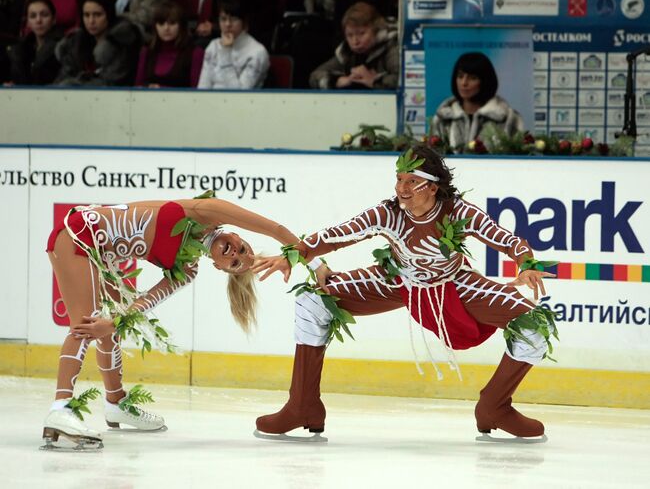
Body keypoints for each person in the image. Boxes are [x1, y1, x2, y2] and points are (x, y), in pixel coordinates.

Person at [253, 144, 557, 442]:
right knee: (312, 300)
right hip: (396, 281)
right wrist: (296, 253)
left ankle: (494, 406)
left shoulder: (458, 212)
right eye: (399, 178)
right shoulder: (388, 214)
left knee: (534, 325)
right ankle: (303, 406)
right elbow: (336, 235)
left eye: (412, 180)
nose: (402, 187)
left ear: (433, 187)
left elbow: (505, 239)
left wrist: (526, 263)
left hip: (453, 284)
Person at [43, 195, 299, 449]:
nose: (235, 253)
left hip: (102, 255)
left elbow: (148, 302)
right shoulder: (205, 213)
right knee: (86, 322)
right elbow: (273, 228)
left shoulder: (187, 269)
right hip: (79, 233)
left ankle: (115, 403)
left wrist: (112, 324)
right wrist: (303, 254)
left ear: (221, 268)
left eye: (234, 263)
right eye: (241, 249)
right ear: (237, 236)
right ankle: (61, 409)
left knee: (107, 326)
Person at [430, 52, 525, 152]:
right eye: (460, 76)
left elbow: (519, 158)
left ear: (485, 81)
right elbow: (433, 158)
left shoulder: (508, 118)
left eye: (472, 78)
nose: (464, 83)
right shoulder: (443, 118)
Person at [309, 1, 398, 90]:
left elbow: (406, 80)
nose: (355, 41)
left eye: (361, 33)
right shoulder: (346, 53)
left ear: (377, 31)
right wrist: (337, 80)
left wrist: (374, 80)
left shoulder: (392, 47)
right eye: (350, 35)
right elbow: (315, 76)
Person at [54, 0, 141, 86]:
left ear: (108, 14)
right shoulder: (76, 43)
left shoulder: (122, 41)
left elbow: (114, 82)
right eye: (86, 15)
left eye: (98, 15)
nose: (91, 21)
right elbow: (64, 76)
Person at [197, 0, 269, 89]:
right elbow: (203, 89)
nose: (227, 24)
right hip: (211, 102)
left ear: (244, 22)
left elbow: (237, 95)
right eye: (223, 19)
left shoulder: (257, 52)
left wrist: (226, 52)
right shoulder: (213, 46)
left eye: (234, 19)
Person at [134, 0, 204, 88]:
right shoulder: (146, 52)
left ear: (181, 26)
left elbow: (197, 93)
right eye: (161, 23)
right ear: (155, 26)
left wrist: (162, 90)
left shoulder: (195, 53)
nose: (166, 28)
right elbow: (137, 89)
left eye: (172, 23)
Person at [5, 0, 62, 85]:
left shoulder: (64, 46)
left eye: (44, 15)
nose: (38, 20)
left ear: (54, 19)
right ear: (27, 22)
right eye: (33, 16)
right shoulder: (20, 50)